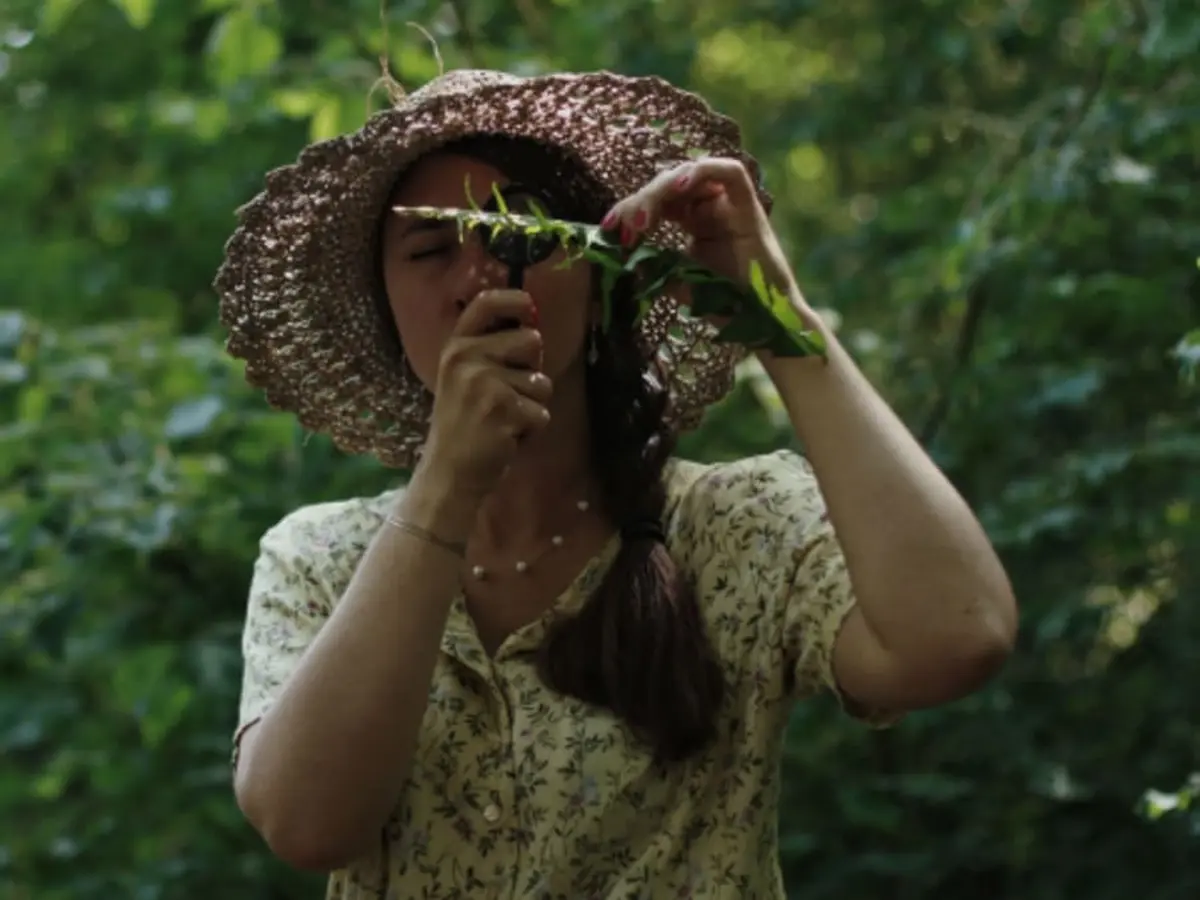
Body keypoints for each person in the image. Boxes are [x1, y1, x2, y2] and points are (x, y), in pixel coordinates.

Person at [214, 69, 1018, 899]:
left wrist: (776, 315)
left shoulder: (735, 524)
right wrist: (446, 487)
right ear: (385, 312)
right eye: (429, 251)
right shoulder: (320, 557)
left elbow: (957, 637)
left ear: (600, 278)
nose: (477, 277)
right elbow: (306, 823)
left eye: (519, 233)